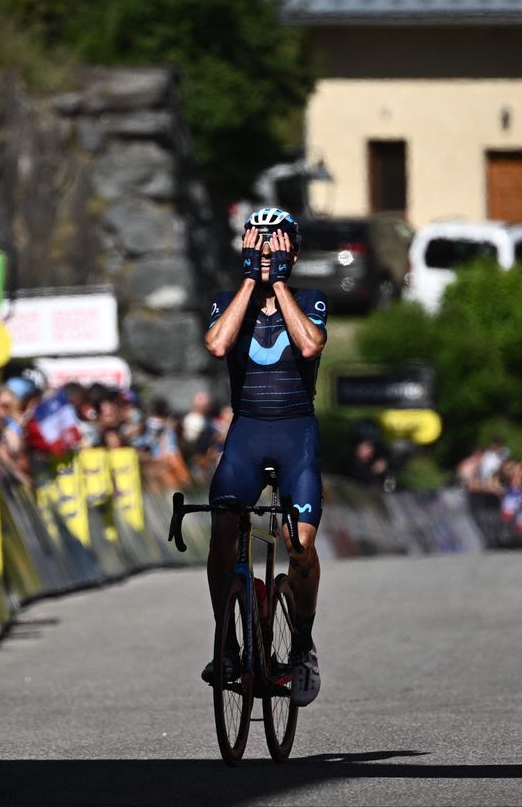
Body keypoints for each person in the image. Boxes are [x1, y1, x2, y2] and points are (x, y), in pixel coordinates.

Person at [201, 208, 326, 706]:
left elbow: (310, 344)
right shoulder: (227, 302)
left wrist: (277, 287)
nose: (269, 252)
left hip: (296, 436)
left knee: (300, 544)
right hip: (247, 434)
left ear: (292, 252)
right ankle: (228, 647)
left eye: (278, 245)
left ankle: (301, 646)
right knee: (224, 529)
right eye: (261, 243)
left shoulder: (311, 300)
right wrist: (252, 281)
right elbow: (217, 344)